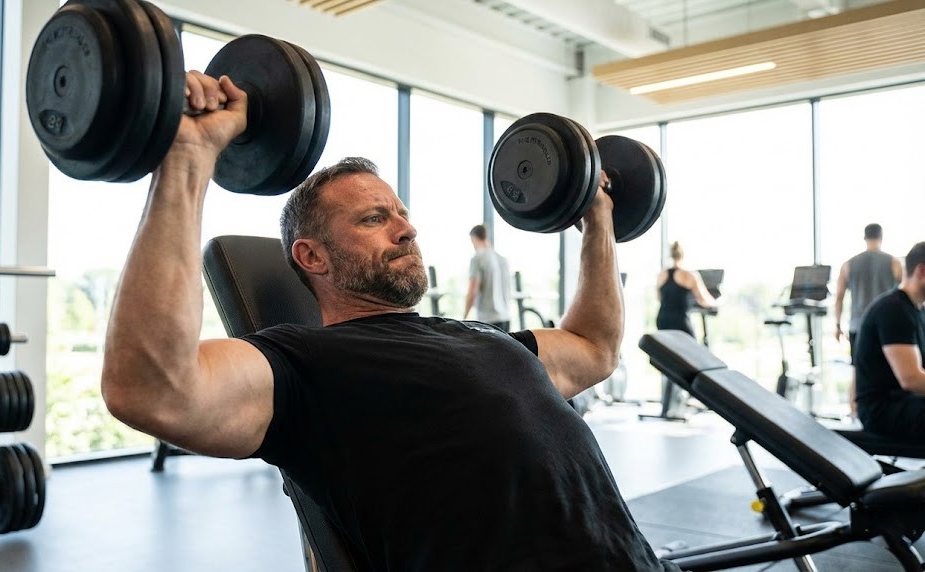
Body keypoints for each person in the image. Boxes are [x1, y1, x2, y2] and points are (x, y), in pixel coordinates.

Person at [101, 71, 678, 570]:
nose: (407, 229)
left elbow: (594, 345)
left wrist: (598, 217)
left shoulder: (483, 338)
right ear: (312, 256)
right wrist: (187, 158)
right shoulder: (307, 366)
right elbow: (151, 389)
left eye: (402, 214)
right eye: (375, 219)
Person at [853, 242, 925, 439]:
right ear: (921, 271)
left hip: (906, 404)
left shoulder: (918, 311)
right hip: (881, 410)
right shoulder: (893, 310)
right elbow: (911, 380)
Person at [834, 223, 902, 415]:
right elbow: (906, 291)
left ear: (865, 238)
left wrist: (837, 325)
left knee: (858, 372)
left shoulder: (848, 264)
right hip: (887, 326)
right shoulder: (894, 263)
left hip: (858, 326)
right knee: (890, 370)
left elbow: (839, 297)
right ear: (881, 237)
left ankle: (855, 415)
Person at [655, 241, 716, 336]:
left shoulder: (662, 275)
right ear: (683, 255)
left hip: (662, 320)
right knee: (691, 344)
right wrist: (717, 302)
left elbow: (659, 298)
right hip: (680, 322)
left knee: (666, 345)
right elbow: (703, 300)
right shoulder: (689, 275)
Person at [462, 224, 511, 331]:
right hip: (506, 317)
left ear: (474, 238)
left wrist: (464, 317)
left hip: (489, 320)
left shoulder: (477, 259)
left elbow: (472, 292)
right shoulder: (503, 260)